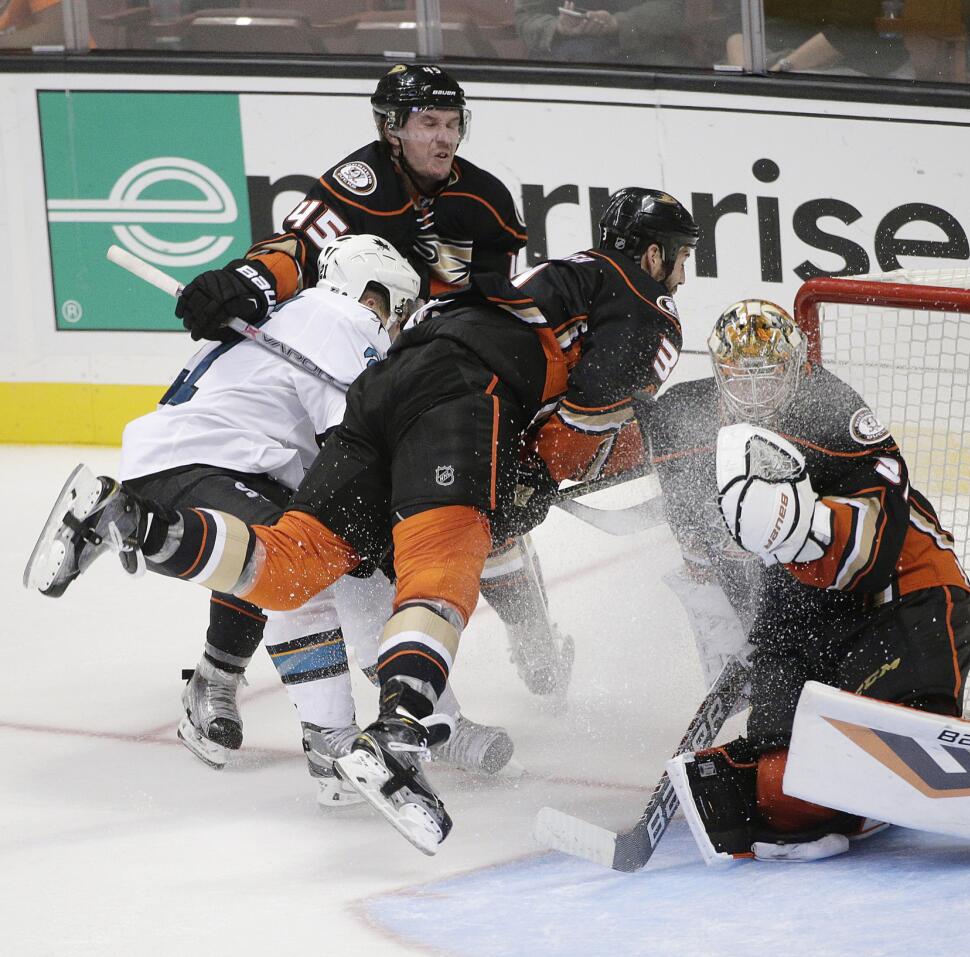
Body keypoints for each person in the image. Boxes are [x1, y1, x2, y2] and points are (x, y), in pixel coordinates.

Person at [26, 186, 700, 855]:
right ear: (651, 255)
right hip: (465, 395)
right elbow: (582, 420)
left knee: (292, 568)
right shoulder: (647, 310)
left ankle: (139, 524)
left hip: (387, 384)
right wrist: (544, 476)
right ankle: (402, 731)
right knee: (439, 569)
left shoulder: (559, 276)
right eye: (678, 257)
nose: (681, 271)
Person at [167, 64, 569, 760]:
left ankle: (535, 640)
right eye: (428, 125)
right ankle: (219, 673)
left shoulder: (487, 202)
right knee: (293, 518)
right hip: (355, 380)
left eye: (452, 124)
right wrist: (245, 280)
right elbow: (293, 251)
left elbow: (502, 307)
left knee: (482, 511)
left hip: (442, 380)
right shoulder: (359, 184)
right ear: (392, 129)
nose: (444, 139)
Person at [642, 298, 970, 861]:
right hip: (798, 612)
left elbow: (883, 530)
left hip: (901, 596)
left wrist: (805, 529)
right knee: (778, 791)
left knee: (904, 733)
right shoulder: (683, 420)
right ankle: (845, 798)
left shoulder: (831, 409)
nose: (755, 392)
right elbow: (701, 545)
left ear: (798, 366)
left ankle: (896, 751)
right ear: (718, 372)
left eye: (769, 375)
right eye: (740, 377)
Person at [725, 1, 912, 79]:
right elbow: (738, 21)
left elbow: (848, 32)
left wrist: (778, 72)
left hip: (859, 69)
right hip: (768, 64)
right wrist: (744, 74)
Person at [515, 0, 691, 67]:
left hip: (643, 62)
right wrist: (557, 27)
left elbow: (672, 9)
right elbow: (526, 17)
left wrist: (617, 23)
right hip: (562, 64)